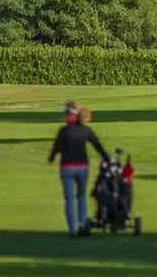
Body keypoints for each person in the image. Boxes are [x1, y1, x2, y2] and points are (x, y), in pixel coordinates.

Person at [47, 101, 109, 236]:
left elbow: (56, 147)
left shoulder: (64, 130)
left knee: (69, 198)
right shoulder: (86, 130)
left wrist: (51, 158)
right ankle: (82, 224)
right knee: (81, 196)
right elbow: (98, 146)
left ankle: (72, 229)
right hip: (82, 167)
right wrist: (108, 158)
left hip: (67, 167)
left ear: (69, 114)